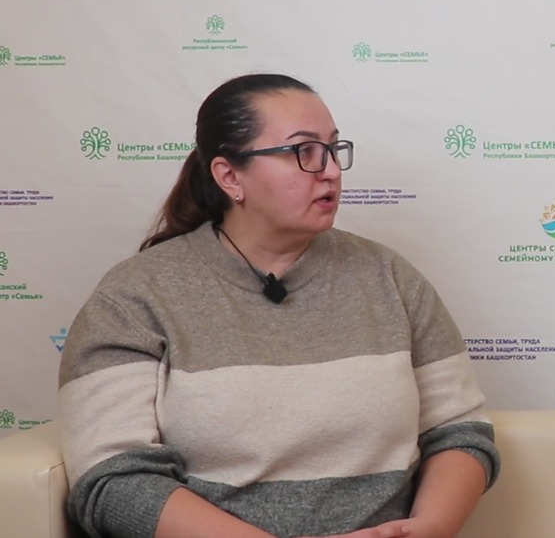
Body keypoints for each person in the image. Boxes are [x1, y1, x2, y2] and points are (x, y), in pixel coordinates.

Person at [59, 74, 498, 538]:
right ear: (230, 177)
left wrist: (426, 529)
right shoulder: (135, 295)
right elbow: (113, 478)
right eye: (303, 151)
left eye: (333, 149)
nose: (331, 171)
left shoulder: (390, 277)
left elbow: (459, 432)